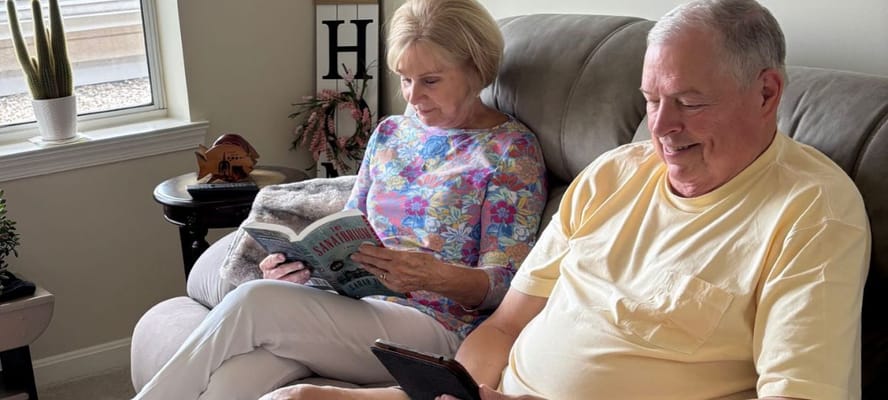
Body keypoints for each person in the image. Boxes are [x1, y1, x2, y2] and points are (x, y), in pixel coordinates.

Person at [264, 0, 870, 399]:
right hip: (492, 389)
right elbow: (502, 328)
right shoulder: (612, 176)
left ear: (767, 92)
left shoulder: (811, 213)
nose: (660, 127)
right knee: (291, 398)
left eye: (689, 102)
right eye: (651, 100)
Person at [132, 0, 547, 399]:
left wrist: (432, 275)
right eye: (404, 78)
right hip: (352, 304)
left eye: (431, 80)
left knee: (254, 300)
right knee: (233, 380)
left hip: (436, 324)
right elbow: (352, 224)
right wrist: (297, 268)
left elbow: (505, 287)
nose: (413, 96)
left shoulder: (510, 152)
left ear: (476, 69)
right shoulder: (390, 134)